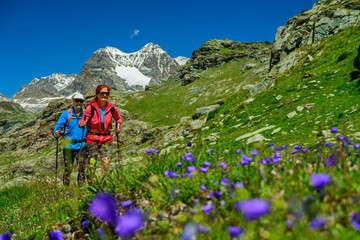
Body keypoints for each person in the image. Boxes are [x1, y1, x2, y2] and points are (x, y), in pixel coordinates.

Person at [78, 85, 121, 183]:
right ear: (97, 94)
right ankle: (91, 185)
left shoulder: (111, 108)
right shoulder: (91, 108)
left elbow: (118, 118)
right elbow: (82, 121)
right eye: (102, 93)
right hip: (92, 139)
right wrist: (82, 124)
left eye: (107, 93)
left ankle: (103, 185)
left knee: (106, 163)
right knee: (92, 165)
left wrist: (118, 126)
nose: (104, 95)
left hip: (107, 139)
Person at [53, 93, 87, 186]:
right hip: (68, 145)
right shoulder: (66, 114)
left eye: (81, 101)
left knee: (81, 168)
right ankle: (66, 188)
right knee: (68, 168)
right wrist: (56, 131)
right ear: (73, 101)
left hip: (82, 145)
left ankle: (81, 188)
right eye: (77, 100)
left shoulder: (86, 114)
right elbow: (58, 125)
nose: (79, 103)